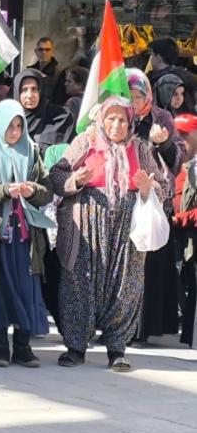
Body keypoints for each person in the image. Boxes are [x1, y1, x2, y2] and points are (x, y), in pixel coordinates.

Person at [50, 97, 167, 371]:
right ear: (101, 120)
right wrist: (76, 180)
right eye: (111, 118)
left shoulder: (139, 149)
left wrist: (148, 190)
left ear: (130, 123)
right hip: (85, 227)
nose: (116, 125)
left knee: (125, 285)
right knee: (79, 282)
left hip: (127, 229)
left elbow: (163, 185)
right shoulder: (85, 141)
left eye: (123, 120)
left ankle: (117, 349)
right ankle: (75, 347)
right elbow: (56, 176)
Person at [0, 100, 54, 368]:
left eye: (19, 126)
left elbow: (47, 191)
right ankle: (0, 346)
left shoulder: (31, 152)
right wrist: (5, 190)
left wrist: (32, 191)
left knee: (26, 290)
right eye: (9, 126)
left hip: (26, 240)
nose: (15, 132)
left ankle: (23, 346)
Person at [127, 68, 185, 343]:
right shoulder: (117, 116)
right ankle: (117, 325)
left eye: (138, 96)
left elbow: (177, 159)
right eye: (128, 95)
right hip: (124, 198)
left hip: (153, 199)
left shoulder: (161, 118)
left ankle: (142, 329)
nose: (133, 101)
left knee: (149, 266)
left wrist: (163, 144)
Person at [172, 113, 197, 347]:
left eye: (185, 135)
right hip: (171, 231)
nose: (180, 140)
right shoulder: (170, 160)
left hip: (189, 234)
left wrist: (179, 219)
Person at [14, 68, 75, 156]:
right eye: (24, 90)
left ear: (41, 90)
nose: (30, 95)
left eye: (34, 89)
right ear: (17, 93)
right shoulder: (9, 121)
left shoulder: (61, 117)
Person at [148, 37, 197, 108]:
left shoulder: (158, 81)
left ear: (158, 58)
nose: (151, 58)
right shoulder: (187, 75)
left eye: (152, 55)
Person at [27, 37, 61, 103]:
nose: (44, 52)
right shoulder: (30, 70)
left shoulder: (58, 72)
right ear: (36, 51)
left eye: (47, 50)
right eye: (40, 49)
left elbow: (59, 97)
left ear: (52, 52)